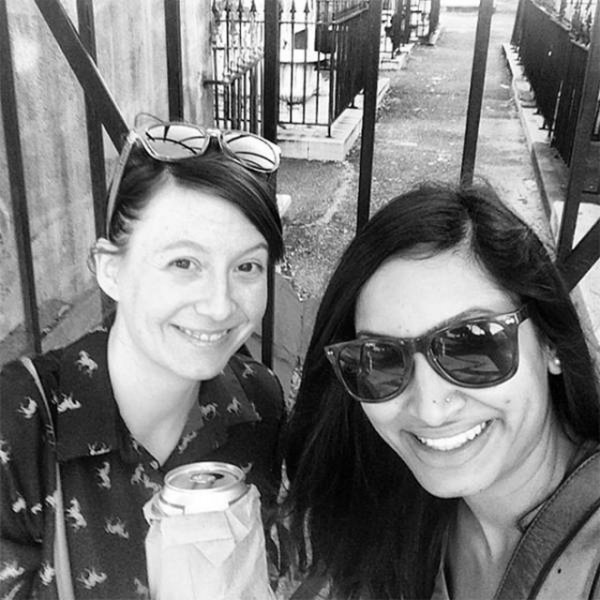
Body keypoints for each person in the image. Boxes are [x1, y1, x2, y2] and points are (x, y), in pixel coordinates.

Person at [0, 115, 285, 599]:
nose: (220, 305)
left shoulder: (259, 403)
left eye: (247, 266)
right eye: (183, 262)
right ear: (111, 271)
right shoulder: (18, 423)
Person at [284, 182, 600, 599]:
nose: (429, 408)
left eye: (473, 345)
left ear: (550, 343)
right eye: (381, 359)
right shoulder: (397, 512)